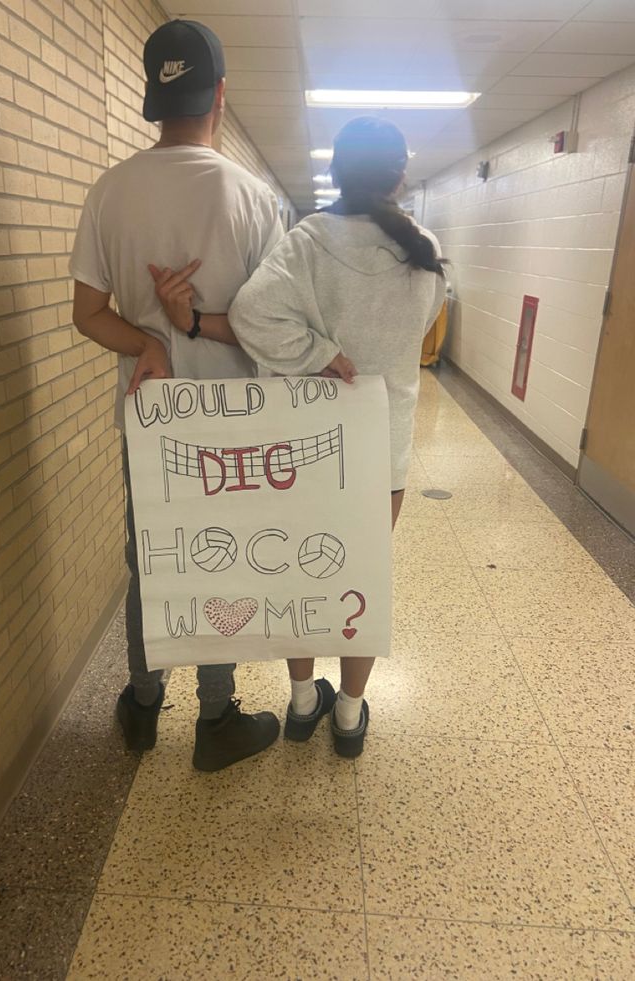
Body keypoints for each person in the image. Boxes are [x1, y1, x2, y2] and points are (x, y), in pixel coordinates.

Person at [153, 117, 446, 758]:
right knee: (362, 578)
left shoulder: (308, 241)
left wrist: (317, 352)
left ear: (335, 172)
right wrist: (350, 350)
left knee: (299, 571)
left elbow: (256, 314)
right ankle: (348, 715)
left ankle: (303, 700)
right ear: (401, 176)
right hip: (383, 445)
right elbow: (420, 328)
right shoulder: (423, 248)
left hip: (311, 438)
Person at [69, 19, 284, 771]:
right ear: (219, 94)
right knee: (219, 559)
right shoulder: (256, 200)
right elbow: (268, 335)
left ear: (152, 99)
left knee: (151, 556)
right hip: (230, 419)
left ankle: (142, 701)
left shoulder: (109, 192)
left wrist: (151, 340)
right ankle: (217, 718)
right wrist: (192, 322)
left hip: (148, 414)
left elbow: (87, 313)